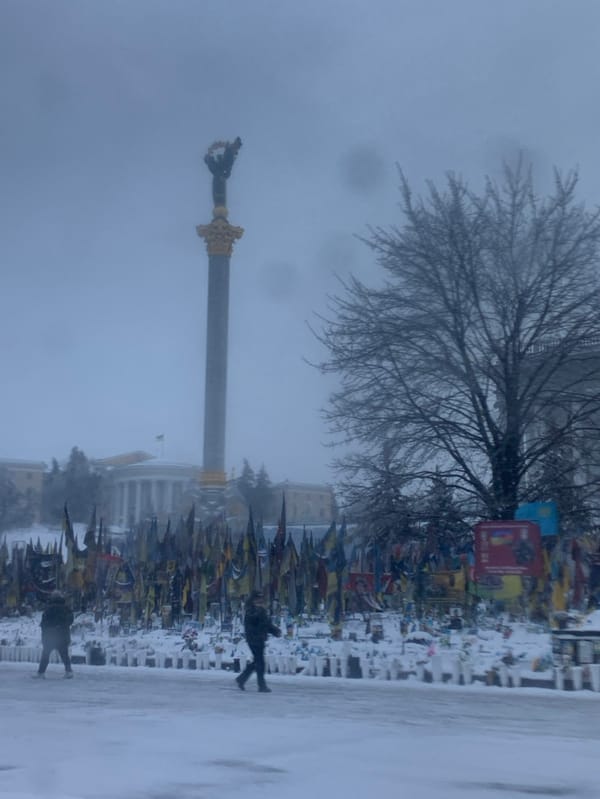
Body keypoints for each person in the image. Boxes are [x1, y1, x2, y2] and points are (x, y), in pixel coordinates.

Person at [235, 589, 281, 693]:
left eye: (261, 598)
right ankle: (261, 685)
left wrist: (275, 631)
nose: (260, 600)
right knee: (260, 663)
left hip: (259, 639)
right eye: (258, 598)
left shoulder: (260, 610)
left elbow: (267, 624)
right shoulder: (252, 610)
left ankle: (242, 679)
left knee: (257, 662)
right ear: (253, 599)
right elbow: (254, 625)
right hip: (254, 639)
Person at [34, 590, 74, 678]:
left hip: (50, 637)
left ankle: (41, 673)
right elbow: (70, 620)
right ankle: (69, 672)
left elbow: (44, 624)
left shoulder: (49, 609)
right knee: (64, 655)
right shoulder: (66, 608)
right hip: (63, 636)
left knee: (45, 655)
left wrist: (45, 636)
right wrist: (62, 626)